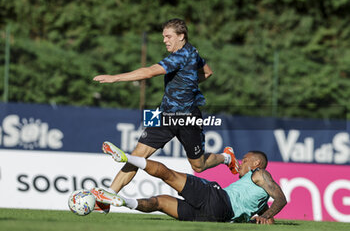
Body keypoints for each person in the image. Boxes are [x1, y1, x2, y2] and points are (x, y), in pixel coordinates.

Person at [92, 18, 238, 204]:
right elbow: (207, 72)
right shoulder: (192, 52)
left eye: (168, 36)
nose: (164, 40)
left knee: (198, 165)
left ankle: (227, 157)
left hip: (187, 117)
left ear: (181, 36)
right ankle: (106, 199)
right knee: (137, 156)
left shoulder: (181, 55)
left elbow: (149, 72)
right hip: (162, 114)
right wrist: (189, 81)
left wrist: (115, 78)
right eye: (163, 36)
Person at [91, 142, 287, 224]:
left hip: (217, 198)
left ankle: (127, 158)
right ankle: (122, 200)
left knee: (168, 174)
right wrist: (265, 217)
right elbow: (267, 213)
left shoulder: (260, 173)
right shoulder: (260, 201)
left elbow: (280, 198)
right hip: (216, 218)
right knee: (159, 202)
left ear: (257, 163)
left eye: (245, 160)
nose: (242, 164)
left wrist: (267, 215)